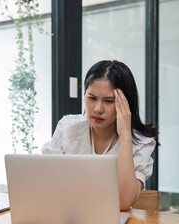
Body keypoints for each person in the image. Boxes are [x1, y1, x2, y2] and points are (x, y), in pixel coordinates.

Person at [42, 60, 158, 210]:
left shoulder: (141, 143)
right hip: (67, 218)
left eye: (108, 101)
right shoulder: (68, 127)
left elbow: (123, 201)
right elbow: (46, 184)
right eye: (92, 98)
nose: (97, 109)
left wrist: (126, 137)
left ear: (125, 103)